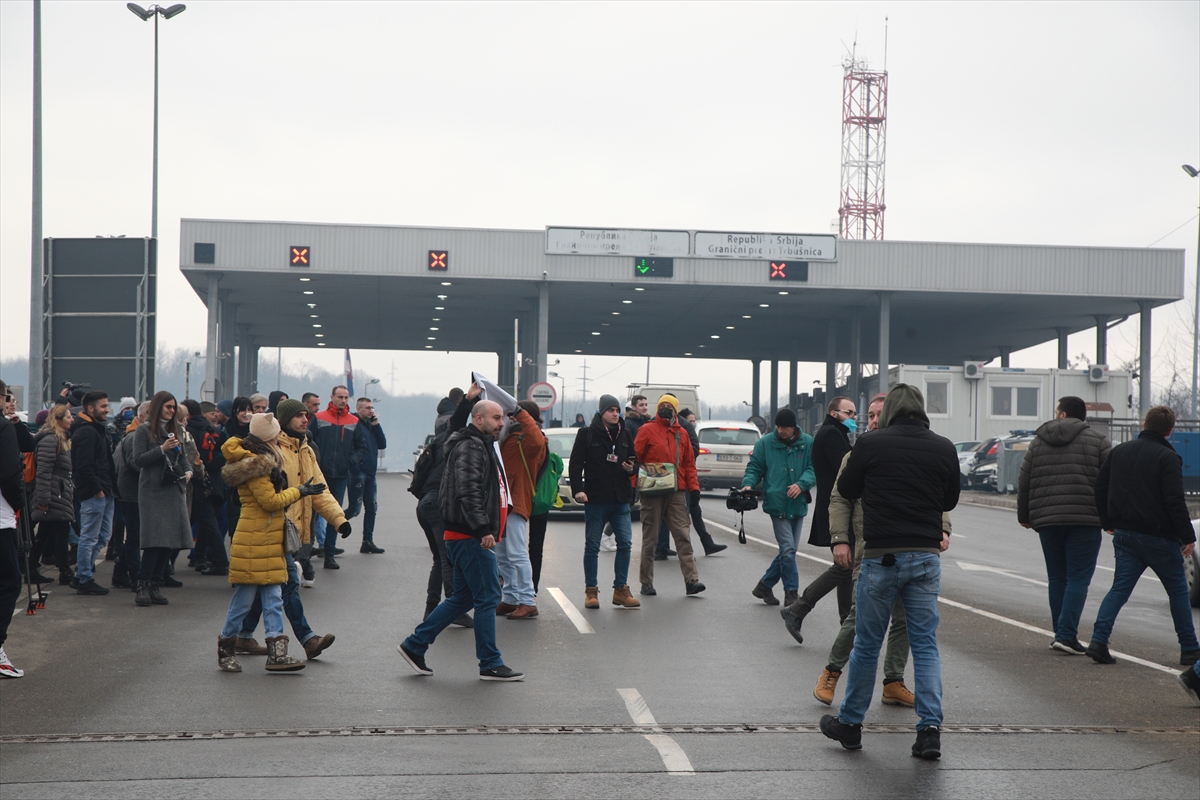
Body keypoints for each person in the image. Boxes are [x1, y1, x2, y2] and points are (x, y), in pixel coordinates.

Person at [819, 383, 959, 761]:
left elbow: (847, 488)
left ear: (891, 410)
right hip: (926, 558)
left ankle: (850, 724)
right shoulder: (944, 447)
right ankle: (929, 730)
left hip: (882, 556)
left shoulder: (870, 445)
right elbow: (949, 500)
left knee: (867, 643)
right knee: (926, 645)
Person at [397, 399, 524, 681]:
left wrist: (467, 399)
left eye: (502, 418)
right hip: (469, 535)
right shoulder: (471, 446)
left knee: (463, 597)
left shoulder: (476, 443)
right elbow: (468, 491)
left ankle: (414, 645)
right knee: (489, 596)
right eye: (495, 418)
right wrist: (482, 530)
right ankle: (490, 662)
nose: (501, 423)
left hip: (463, 534)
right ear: (479, 419)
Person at [813, 394, 925, 709]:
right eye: (870, 416)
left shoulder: (911, 450)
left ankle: (893, 681)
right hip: (869, 545)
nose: (872, 422)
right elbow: (840, 498)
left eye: (879, 416)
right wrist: (840, 539)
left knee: (903, 617)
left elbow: (933, 491)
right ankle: (832, 671)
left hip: (909, 545)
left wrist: (942, 527)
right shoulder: (859, 453)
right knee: (860, 615)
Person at [231, 400, 347, 660]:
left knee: (266, 585)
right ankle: (307, 640)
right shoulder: (272, 448)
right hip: (273, 527)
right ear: (283, 421)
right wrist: (298, 493)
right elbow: (269, 498)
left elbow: (320, 489)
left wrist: (339, 520)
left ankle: (242, 636)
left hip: (289, 531)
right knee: (287, 584)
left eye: (306, 415)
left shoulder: (305, 448)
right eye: (298, 416)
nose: (305, 419)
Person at [1087, 405, 1199, 667]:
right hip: (1159, 538)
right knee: (1179, 592)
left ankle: (1098, 641)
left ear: (1145, 424)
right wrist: (1187, 535)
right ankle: (1190, 649)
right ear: (1170, 431)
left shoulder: (1119, 451)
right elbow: (1174, 501)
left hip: (1125, 534)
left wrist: (1107, 521)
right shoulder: (1167, 457)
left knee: (1119, 590)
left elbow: (1100, 487)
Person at [217, 412, 322, 673]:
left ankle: (276, 654)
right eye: (276, 434)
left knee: (274, 598)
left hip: (265, 537)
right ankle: (226, 649)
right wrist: (299, 491)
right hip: (256, 539)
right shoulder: (257, 465)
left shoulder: (259, 459)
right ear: (270, 437)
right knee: (244, 599)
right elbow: (269, 502)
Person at [1016, 395, 1111, 655]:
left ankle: (1060, 634)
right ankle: (1066, 635)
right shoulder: (1099, 441)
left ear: (1062, 414)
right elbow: (1110, 482)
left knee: (1057, 578)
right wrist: (1110, 518)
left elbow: (1025, 480)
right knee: (1078, 578)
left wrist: (1024, 514)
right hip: (1086, 520)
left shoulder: (1038, 442)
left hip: (1047, 520)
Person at [570, 393, 640, 609]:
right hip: (596, 498)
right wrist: (578, 490)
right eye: (611, 410)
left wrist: (632, 468)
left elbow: (635, 461)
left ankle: (621, 590)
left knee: (626, 544)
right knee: (592, 546)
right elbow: (575, 464)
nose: (615, 414)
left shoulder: (625, 433)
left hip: (620, 499)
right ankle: (591, 591)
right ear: (602, 412)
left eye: (617, 410)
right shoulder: (587, 433)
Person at [742, 407, 816, 607]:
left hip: (798, 504)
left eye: (785, 427)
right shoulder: (766, 443)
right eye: (778, 426)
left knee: (788, 551)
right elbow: (755, 467)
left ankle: (764, 585)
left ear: (794, 428)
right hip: (776, 503)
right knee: (788, 549)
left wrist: (801, 484)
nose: (780, 430)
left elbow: (813, 467)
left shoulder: (808, 443)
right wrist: (748, 484)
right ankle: (791, 592)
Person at [634, 394, 704, 597]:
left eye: (669, 406)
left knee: (683, 536)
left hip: (676, 492)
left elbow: (689, 465)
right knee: (650, 538)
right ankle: (646, 582)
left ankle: (692, 581)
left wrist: (694, 489)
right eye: (662, 405)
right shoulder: (646, 430)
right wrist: (633, 487)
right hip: (652, 492)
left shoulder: (682, 434)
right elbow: (635, 459)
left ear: (675, 411)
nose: (665, 408)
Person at [130, 391, 194, 607]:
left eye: (174, 407)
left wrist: (188, 472)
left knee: (169, 541)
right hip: (153, 492)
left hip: (173, 489)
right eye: (168, 407)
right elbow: (138, 460)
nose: (172, 410)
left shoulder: (176, 430)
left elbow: (183, 457)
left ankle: (156, 584)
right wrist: (161, 449)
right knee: (154, 541)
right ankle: (143, 585)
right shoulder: (144, 430)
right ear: (158, 407)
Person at [495, 399, 546, 620]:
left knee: (516, 553)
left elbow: (535, 441)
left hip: (517, 502)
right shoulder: (508, 437)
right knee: (502, 555)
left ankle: (527, 600)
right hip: (504, 502)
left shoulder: (532, 438)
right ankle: (511, 598)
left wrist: (520, 412)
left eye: (511, 415)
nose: (507, 418)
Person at [311, 385, 367, 569]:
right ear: (332, 397)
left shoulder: (353, 421)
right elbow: (308, 442)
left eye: (346, 397)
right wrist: (314, 463)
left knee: (336, 514)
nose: (343, 400)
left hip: (341, 475)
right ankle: (306, 551)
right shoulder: (319, 419)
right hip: (319, 474)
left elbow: (361, 446)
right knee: (311, 513)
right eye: (340, 397)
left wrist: (350, 461)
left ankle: (330, 553)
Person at [70, 390, 117, 595]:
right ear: (91, 408)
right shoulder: (86, 432)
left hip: (106, 492)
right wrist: (97, 490)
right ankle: (84, 579)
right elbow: (83, 466)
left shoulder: (97, 428)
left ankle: (82, 573)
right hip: (94, 493)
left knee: (104, 535)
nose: (107, 410)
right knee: (89, 537)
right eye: (103, 406)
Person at [0, 379, 31, 677]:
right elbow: (9, 472)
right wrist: (18, 502)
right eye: (7, 396)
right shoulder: (2, 428)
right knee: (9, 581)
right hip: (1, 518)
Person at [29, 404, 76, 586]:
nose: (72, 420)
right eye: (68, 417)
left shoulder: (59, 439)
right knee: (61, 531)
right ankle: (64, 570)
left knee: (46, 532)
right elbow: (44, 471)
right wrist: (43, 499)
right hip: (54, 493)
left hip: (58, 492)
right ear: (58, 420)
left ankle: (33, 568)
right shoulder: (51, 440)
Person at [185, 399, 228, 576]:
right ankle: (200, 556)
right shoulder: (215, 431)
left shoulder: (187, 432)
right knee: (206, 522)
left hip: (198, 482)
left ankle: (219, 561)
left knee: (203, 522)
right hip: (217, 483)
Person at [676, 408, 727, 557]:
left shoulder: (689, 434)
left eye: (694, 421)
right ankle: (678, 548)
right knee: (682, 517)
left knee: (695, 511)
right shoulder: (683, 433)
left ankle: (707, 543)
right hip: (680, 480)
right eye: (690, 421)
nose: (692, 424)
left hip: (688, 479)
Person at [110, 401, 148, 592]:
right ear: (141, 416)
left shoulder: (135, 434)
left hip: (132, 491)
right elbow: (136, 464)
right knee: (134, 535)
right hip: (131, 493)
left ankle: (120, 573)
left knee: (134, 535)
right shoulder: (134, 437)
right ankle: (135, 575)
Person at [346, 396, 387, 554]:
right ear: (359, 409)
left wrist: (376, 426)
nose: (371, 411)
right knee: (354, 509)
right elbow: (350, 448)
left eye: (372, 408)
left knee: (371, 508)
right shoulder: (354, 424)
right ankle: (330, 533)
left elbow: (382, 444)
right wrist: (355, 468)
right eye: (368, 408)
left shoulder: (371, 426)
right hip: (358, 473)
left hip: (370, 473)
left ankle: (367, 541)